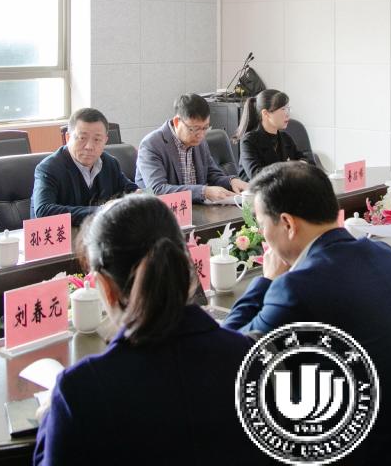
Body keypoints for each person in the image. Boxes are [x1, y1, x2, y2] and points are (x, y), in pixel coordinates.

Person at [222, 161, 391, 463]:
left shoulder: (296, 288)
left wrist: (266, 280)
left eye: (263, 225)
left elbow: (226, 352)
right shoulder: (384, 254)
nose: (263, 234)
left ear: (287, 224)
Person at [33, 195, 259, 465]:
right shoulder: (250, 358)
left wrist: (50, 419)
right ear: (186, 266)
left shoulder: (80, 392)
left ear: (105, 287)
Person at [31, 107, 137, 225]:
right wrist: (102, 211)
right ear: (68, 138)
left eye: (97, 139)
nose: (89, 146)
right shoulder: (49, 168)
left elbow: (131, 190)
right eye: (82, 138)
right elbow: (43, 211)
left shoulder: (110, 163)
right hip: (64, 234)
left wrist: (142, 196)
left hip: (98, 233)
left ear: (105, 141)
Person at [136, 93, 247, 202]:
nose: (201, 135)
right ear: (177, 122)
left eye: (205, 128)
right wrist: (204, 192)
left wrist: (231, 181)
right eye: (195, 129)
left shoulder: (200, 141)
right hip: (161, 210)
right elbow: (158, 190)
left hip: (197, 208)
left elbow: (212, 175)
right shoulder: (152, 144)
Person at [235, 89, 307, 180]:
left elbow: (305, 160)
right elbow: (256, 174)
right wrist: (291, 168)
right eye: (283, 109)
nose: (288, 114)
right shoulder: (249, 140)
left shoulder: (286, 138)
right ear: (266, 114)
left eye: (288, 109)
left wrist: (302, 163)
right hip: (256, 188)